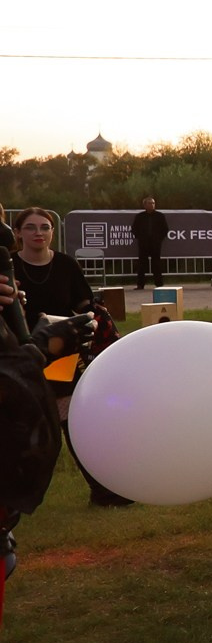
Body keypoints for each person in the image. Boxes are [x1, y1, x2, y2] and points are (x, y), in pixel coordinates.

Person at [8, 207, 127, 508]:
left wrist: (85, 318)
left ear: (52, 232)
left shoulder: (65, 264)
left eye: (45, 227)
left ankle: (104, 491)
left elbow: (84, 303)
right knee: (19, 426)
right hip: (20, 354)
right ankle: (14, 498)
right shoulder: (8, 267)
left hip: (62, 353)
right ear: (18, 232)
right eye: (31, 227)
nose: (39, 232)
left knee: (71, 423)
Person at [130, 195, 168, 286]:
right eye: (150, 203)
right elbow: (134, 228)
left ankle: (159, 284)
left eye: (153, 203)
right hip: (143, 244)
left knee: (156, 264)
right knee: (142, 264)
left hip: (155, 244)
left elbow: (165, 229)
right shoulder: (140, 216)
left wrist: (159, 239)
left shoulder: (160, 216)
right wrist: (140, 237)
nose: (152, 205)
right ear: (145, 205)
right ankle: (140, 285)